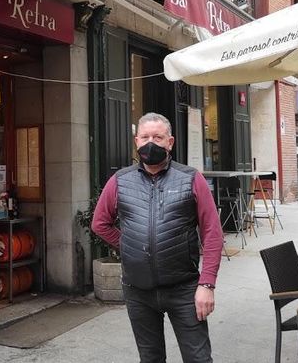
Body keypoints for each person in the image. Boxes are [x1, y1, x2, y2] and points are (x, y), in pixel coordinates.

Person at [92, 112, 223, 362]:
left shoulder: (191, 179)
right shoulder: (120, 180)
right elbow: (100, 223)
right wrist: (128, 244)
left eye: (158, 137)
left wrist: (207, 285)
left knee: (198, 358)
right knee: (150, 358)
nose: (151, 143)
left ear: (170, 142)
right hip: (137, 290)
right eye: (145, 137)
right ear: (136, 141)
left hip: (184, 288)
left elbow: (212, 234)